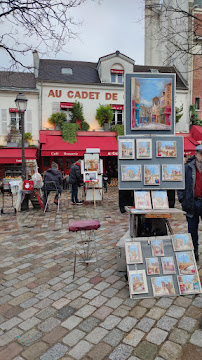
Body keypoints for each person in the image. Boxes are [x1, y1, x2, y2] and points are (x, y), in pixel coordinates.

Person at [177, 144, 202, 262]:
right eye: (200, 154)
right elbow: (181, 184)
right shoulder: (188, 168)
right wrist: (182, 199)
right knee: (192, 230)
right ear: (196, 154)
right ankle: (194, 252)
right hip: (192, 203)